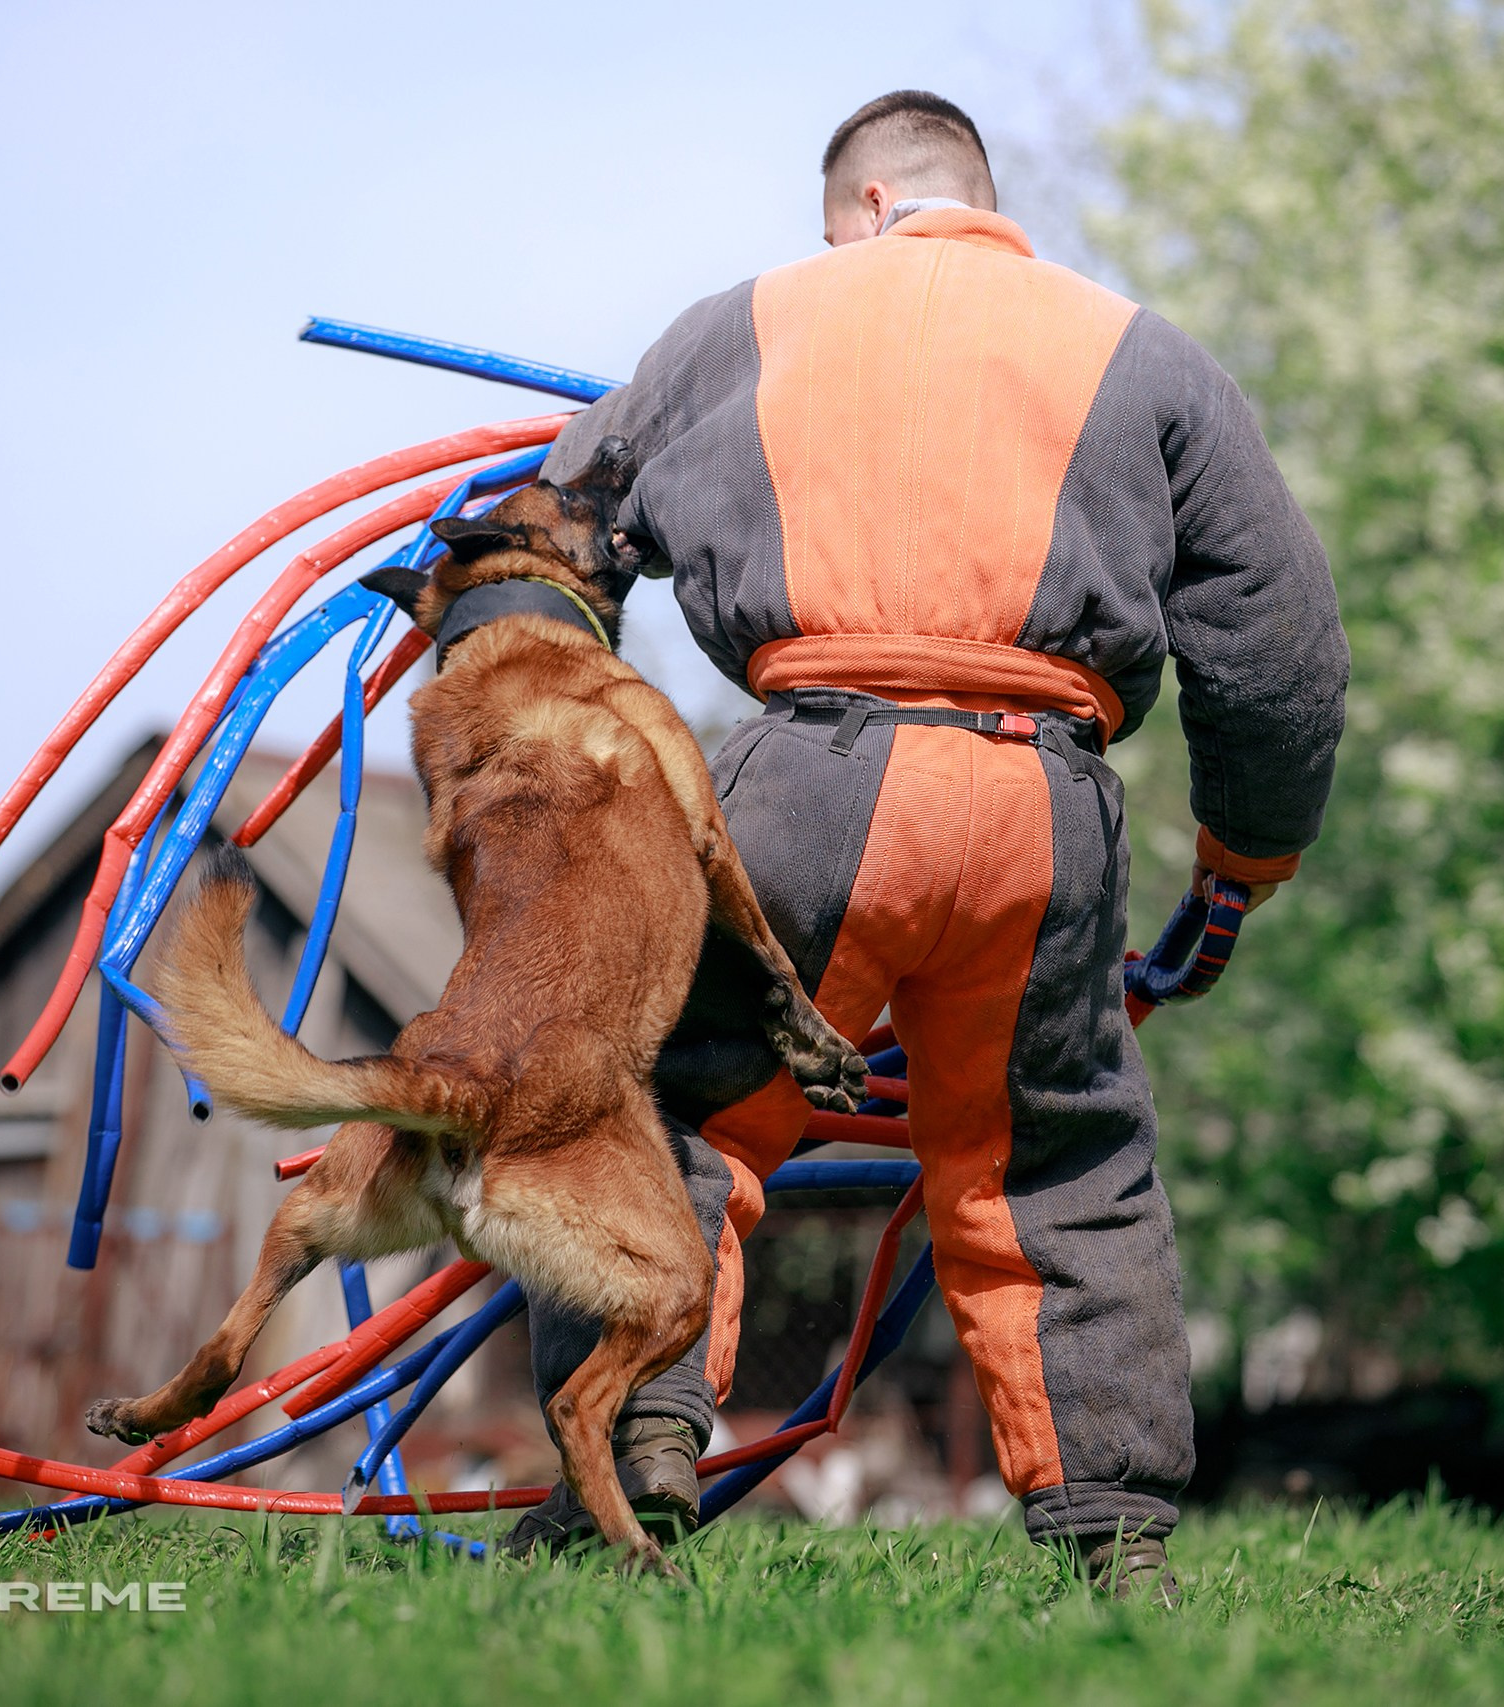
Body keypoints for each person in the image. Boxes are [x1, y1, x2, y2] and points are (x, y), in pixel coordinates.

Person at [506, 89, 1348, 1602]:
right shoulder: (1141, 352)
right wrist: (1240, 870)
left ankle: (627, 1456)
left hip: (810, 783)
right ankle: (1116, 1533)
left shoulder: (740, 325)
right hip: (1048, 810)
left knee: (657, 1106)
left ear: (867, 211)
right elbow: (1280, 641)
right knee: (1058, 1161)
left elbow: (550, 537)